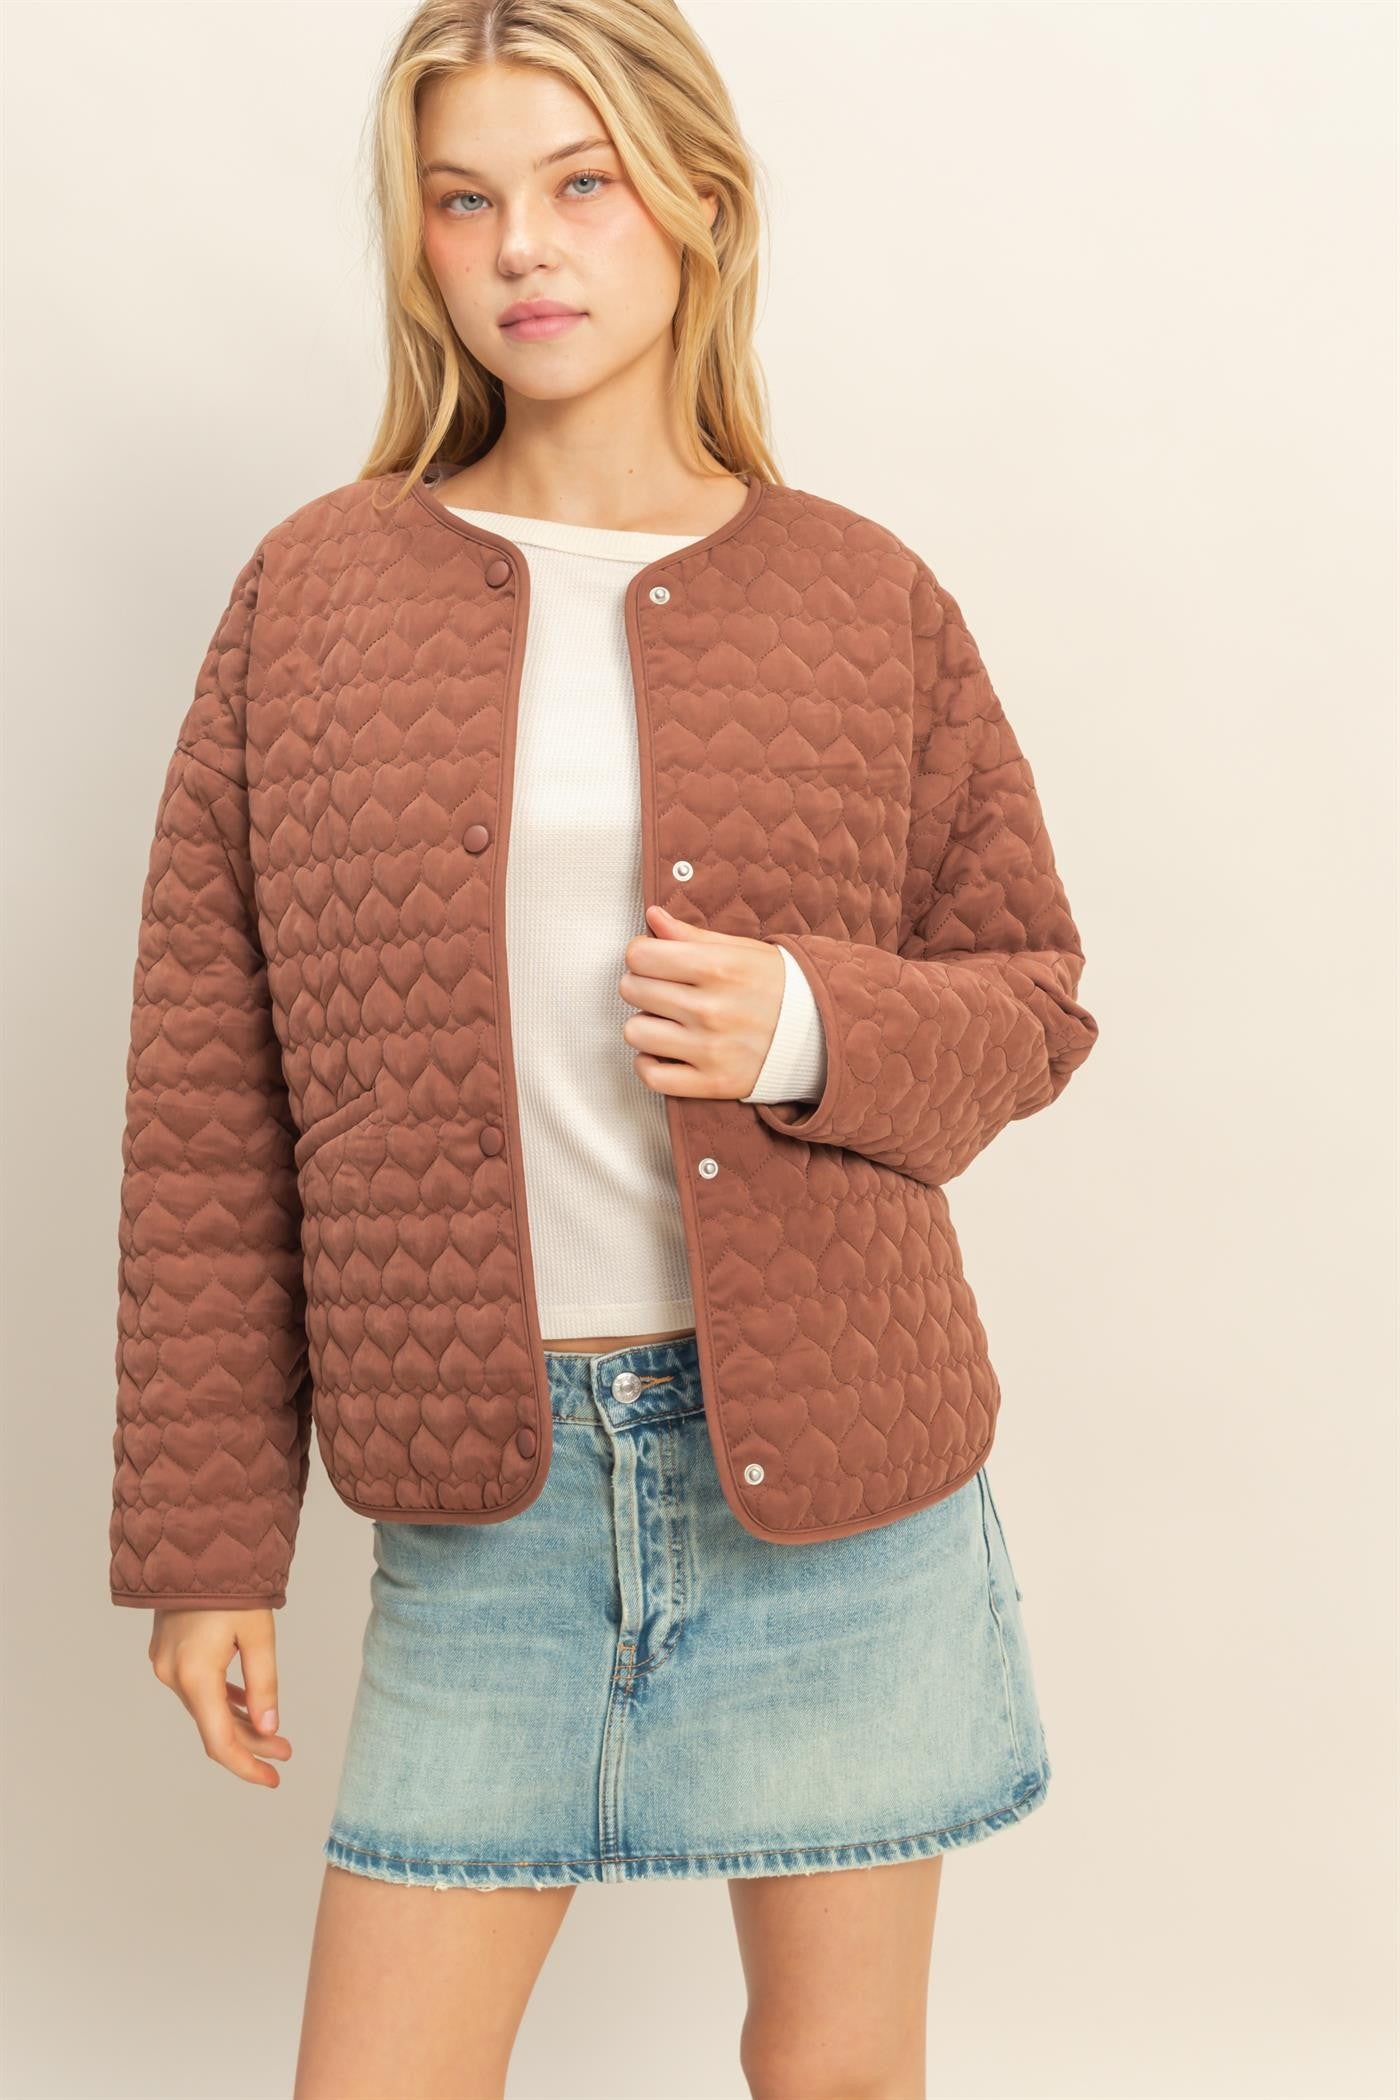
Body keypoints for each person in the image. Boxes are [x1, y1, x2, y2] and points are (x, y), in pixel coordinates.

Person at [108, 3, 1099, 2094]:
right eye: (463, 200)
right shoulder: (314, 595)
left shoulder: (862, 598)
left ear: (698, 208)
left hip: (838, 1479)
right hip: (492, 1500)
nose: (524, 248)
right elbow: (207, 1105)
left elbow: (1031, 997)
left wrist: (806, 1023)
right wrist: (206, 1552)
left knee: (836, 2073)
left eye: (581, 184)